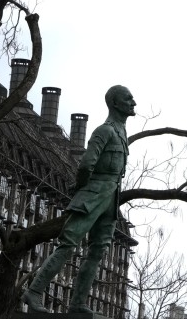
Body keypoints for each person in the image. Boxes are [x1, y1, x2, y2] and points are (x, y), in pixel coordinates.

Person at [23, 85, 136, 314]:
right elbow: (86, 165)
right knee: (68, 244)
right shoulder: (104, 131)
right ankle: (33, 292)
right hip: (92, 197)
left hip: (110, 201)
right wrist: (83, 190)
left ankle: (78, 303)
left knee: (96, 253)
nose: (134, 102)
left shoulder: (121, 133)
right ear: (115, 103)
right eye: (128, 98)